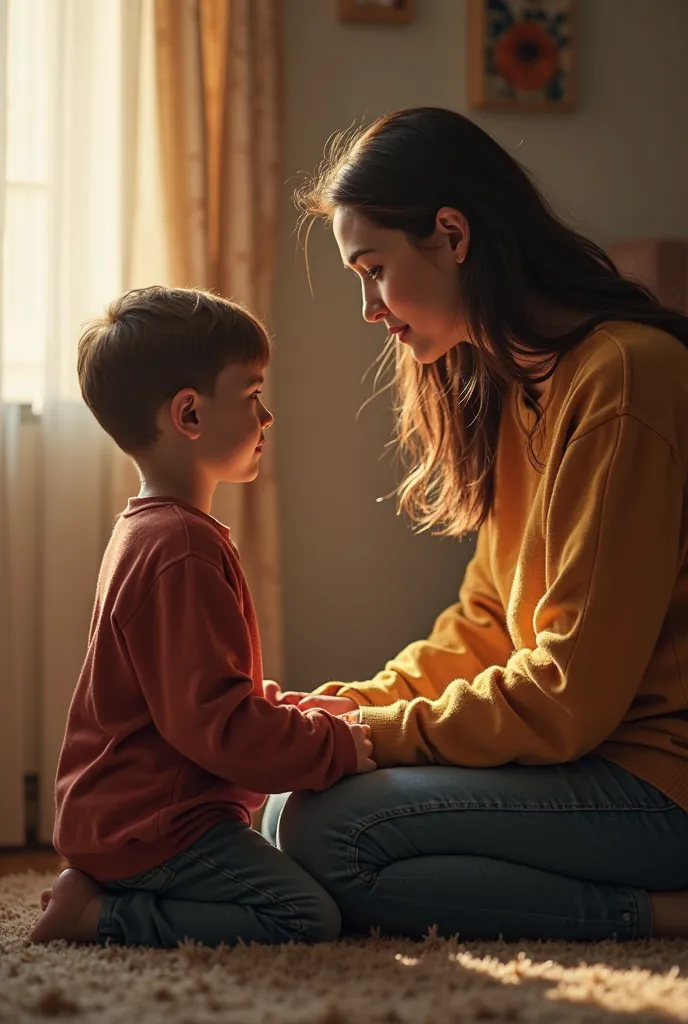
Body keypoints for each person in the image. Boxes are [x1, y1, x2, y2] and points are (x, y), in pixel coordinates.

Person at [262, 107, 688, 943]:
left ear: (452, 235)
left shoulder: (626, 381)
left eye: (374, 269)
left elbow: (569, 698)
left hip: (657, 781)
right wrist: (344, 710)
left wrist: (370, 741)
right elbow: (488, 623)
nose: (368, 308)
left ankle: (658, 917)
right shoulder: (519, 383)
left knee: (329, 834)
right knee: (283, 809)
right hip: (588, 761)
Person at [30, 286, 375, 949]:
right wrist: (332, 747)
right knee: (306, 916)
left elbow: (210, 694)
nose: (267, 415)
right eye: (251, 397)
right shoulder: (182, 547)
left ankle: (106, 886)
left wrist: (314, 717)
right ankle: (100, 915)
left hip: (131, 812)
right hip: (157, 827)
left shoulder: (153, 530)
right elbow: (217, 727)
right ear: (189, 414)